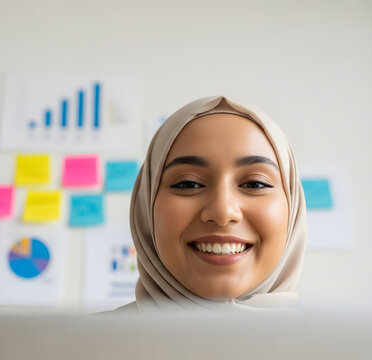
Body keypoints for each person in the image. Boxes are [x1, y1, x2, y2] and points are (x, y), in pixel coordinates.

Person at [117, 96, 306, 312]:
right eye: (188, 184)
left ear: (293, 207)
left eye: (255, 183)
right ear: (145, 207)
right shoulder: (78, 344)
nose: (222, 212)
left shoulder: (338, 344)